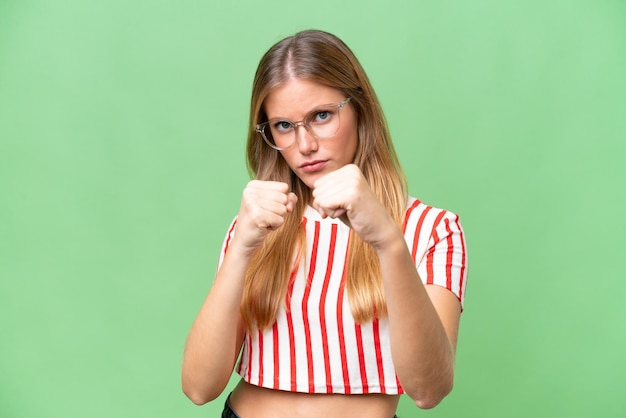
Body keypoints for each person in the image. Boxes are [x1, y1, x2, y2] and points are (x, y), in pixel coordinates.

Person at [182, 29, 468, 418]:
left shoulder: (432, 229)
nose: (305, 146)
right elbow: (199, 388)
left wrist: (387, 241)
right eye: (283, 125)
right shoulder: (258, 224)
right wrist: (241, 250)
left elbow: (429, 390)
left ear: (359, 109)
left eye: (321, 116)